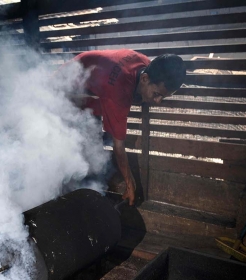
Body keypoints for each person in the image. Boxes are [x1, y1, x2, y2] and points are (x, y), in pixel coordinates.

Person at [60, 50, 186, 205]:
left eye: (163, 97)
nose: (158, 101)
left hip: (90, 94)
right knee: (76, 156)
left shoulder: (148, 66)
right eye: (156, 94)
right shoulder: (120, 87)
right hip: (65, 93)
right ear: (145, 79)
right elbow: (118, 147)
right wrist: (129, 183)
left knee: (92, 148)